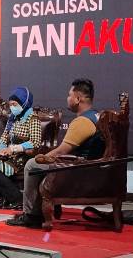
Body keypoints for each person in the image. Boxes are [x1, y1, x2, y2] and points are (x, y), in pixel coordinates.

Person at [6, 79, 105, 228]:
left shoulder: (82, 122)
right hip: (93, 169)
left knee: (32, 165)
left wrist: (41, 158)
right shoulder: (97, 116)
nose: (67, 98)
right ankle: (36, 210)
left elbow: (61, 152)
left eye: (69, 95)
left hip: (80, 171)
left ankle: (31, 215)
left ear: (78, 99)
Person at [0, 87, 41, 209]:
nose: (12, 107)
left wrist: (13, 149)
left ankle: (17, 199)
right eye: (10, 104)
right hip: (8, 157)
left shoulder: (33, 119)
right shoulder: (12, 119)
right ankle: (6, 198)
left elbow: (35, 143)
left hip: (22, 159)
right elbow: (4, 138)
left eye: (14, 104)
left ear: (24, 103)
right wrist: (0, 151)